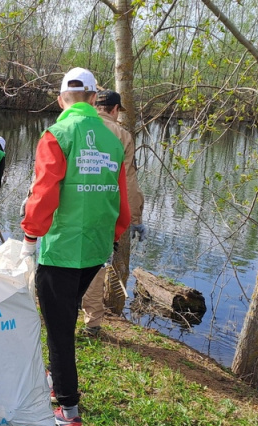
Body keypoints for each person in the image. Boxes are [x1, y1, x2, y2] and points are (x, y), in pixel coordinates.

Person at [20, 68, 130, 426]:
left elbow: (43, 192)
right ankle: (56, 380)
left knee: (60, 330)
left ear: (60, 99)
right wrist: (114, 236)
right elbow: (121, 201)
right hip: (96, 248)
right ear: (95, 98)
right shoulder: (113, 140)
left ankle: (69, 410)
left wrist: (30, 239)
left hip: (60, 250)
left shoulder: (57, 134)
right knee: (63, 320)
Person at [79, 89, 146, 337]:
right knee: (95, 267)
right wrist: (135, 219)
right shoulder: (122, 135)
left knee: (62, 261)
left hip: (70, 205)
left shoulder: (75, 125)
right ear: (115, 110)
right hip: (102, 212)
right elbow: (128, 181)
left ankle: (57, 314)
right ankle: (92, 325)